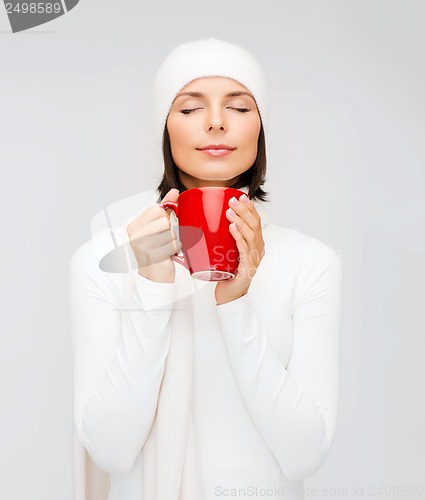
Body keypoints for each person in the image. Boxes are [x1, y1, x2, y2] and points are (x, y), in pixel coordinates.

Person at [69, 38, 343, 500]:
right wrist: (154, 291)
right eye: (191, 108)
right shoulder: (103, 260)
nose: (216, 122)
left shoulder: (310, 263)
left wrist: (235, 305)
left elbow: (303, 456)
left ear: (261, 129)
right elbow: (111, 453)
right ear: (165, 128)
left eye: (238, 107)